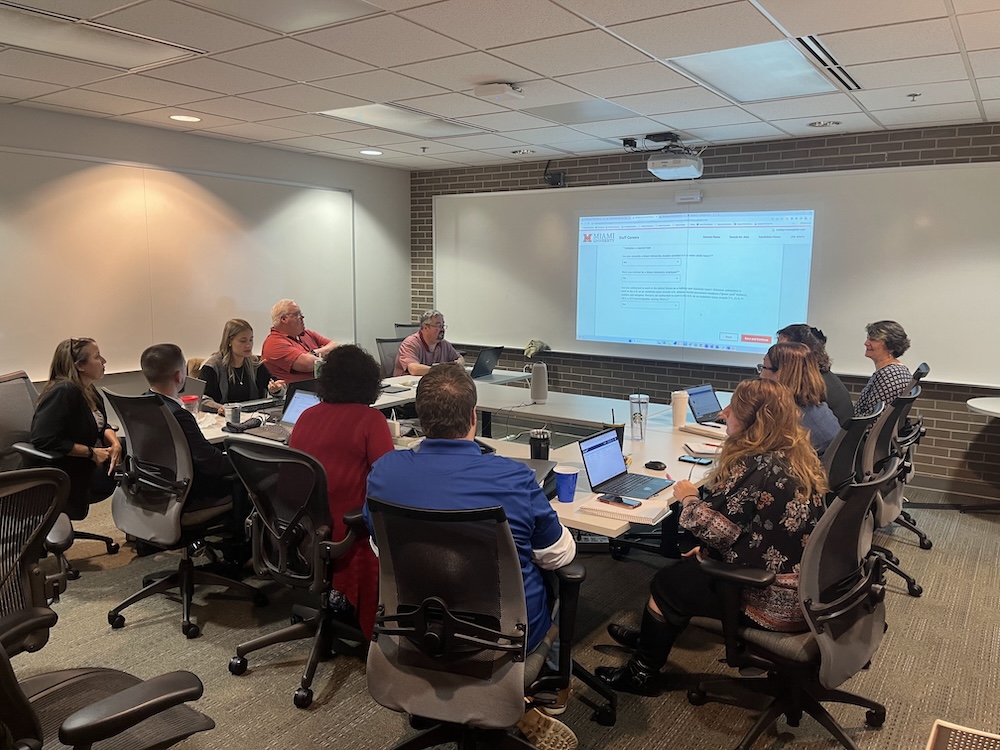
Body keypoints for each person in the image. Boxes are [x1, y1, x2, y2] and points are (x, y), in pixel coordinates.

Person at [365, 363, 578, 747]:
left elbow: (381, 548)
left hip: (417, 628)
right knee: (560, 580)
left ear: (420, 416)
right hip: (500, 641)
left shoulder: (384, 472)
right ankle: (548, 693)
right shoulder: (514, 478)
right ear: (474, 417)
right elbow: (558, 555)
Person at [596, 379, 827, 696]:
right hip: (804, 588)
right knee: (690, 568)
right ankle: (652, 637)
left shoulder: (757, 463)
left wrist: (689, 498)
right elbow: (755, 525)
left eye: (735, 408)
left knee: (667, 583)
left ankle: (641, 674)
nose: (725, 412)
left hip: (771, 597)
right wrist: (708, 549)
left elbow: (719, 530)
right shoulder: (796, 453)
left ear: (752, 421)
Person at [288, 345, 394, 640]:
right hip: (348, 532)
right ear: (369, 383)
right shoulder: (370, 420)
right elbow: (387, 476)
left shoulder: (307, 416)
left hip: (304, 529)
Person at [31, 338, 123, 520]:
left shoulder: (88, 389)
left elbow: (101, 425)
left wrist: (115, 443)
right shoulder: (64, 392)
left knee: (130, 448)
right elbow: (44, 439)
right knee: (137, 459)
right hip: (70, 471)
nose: (104, 361)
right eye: (97, 357)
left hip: (90, 462)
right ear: (80, 366)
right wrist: (90, 453)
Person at [141, 343, 235, 504]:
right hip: (191, 491)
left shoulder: (143, 402)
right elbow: (211, 464)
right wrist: (244, 460)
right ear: (179, 376)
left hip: (158, 484)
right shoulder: (179, 414)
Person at [758, 342, 841, 455]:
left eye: (763, 368)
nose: (761, 375)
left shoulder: (797, 418)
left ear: (782, 373)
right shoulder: (814, 407)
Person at [200, 319, 285, 414]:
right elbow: (201, 399)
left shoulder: (255, 363)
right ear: (229, 341)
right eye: (243, 341)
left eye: (251, 340)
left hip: (253, 416)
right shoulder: (212, 366)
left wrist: (276, 389)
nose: (248, 345)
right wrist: (221, 408)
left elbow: (277, 386)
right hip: (223, 418)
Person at [776, 323, 853, 426]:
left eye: (782, 348)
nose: (775, 353)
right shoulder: (821, 377)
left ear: (800, 352)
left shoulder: (812, 386)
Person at [261, 299, 339, 383]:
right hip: (300, 393)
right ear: (283, 319)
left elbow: (336, 346)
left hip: (322, 388)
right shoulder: (274, 343)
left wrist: (314, 353)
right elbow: (308, 364)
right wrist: (326, 354)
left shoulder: (307, 334)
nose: (302, 317)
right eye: (297, 314)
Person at [855, 320, 912, 417]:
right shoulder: (895, 371)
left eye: (873, 340)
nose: (866, 343)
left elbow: (871, 419)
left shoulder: (889, 375)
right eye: (867, 338)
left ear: (891, 346)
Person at [392, 309, 464, 376]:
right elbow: (414, 369)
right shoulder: (410, 343)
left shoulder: (444, 344)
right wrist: (442, 370)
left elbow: (460, 358)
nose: (442, 329)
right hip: (406, 385)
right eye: (438, 325)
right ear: (426, 327)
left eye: (443, 326)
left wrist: (458, 364)